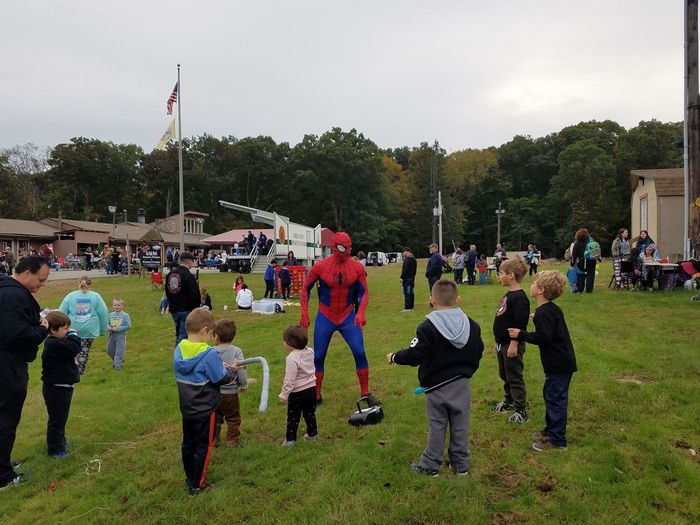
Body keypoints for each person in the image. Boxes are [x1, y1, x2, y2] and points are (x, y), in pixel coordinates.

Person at [387, 279, 484, 476]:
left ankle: (430, 466)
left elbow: (415, 355)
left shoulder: (427, 327)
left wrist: (395, 357)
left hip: (437, 387)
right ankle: (461, 465)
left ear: (432, 300)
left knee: (437, 425)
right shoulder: (473, 325)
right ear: (458, 298)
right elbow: (478, 351)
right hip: (462, 384)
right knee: (460, 425)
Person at [300, 232, 378, 406]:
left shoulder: (357, 267)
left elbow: (364, 292)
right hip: (325, 314)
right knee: (319, 356)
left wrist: (361, 312)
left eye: (350, 247)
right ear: (335, 247)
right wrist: (304, 313)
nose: (348, 251)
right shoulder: (320, 266)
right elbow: (305, 288)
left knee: (360, 352)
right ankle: (316, 395)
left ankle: (365, 393)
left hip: (347, 315)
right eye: (344, 247)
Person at [508, 271, 577, 451]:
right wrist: (536, 319)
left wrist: (520, 334)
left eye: (534, 283)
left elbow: (543, 337)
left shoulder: (544, 313)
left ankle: (557, 440)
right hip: (560, 363)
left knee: (556, 399)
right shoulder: (549, 309)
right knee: (550, 395)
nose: (530, 285)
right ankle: (550, 429)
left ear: (541, 290)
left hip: (558, 364)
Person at [173, 308, 235, 495]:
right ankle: (197, 485)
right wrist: (231, 370)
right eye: (211, 332)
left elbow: (201, 370)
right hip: (205, 411)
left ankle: (190, 476)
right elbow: (221, 378)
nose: (211, 336)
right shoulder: (209, 354)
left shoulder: (180, 349)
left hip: (187, 409)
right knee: (203, 447)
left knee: (188, 444)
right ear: (204, 331)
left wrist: (217, 366)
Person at [0, 256, 49, 489]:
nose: (42, 285)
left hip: (7, 363)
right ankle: (3, 476)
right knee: (6, 418)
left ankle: (3, 463)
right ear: (27, 273)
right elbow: (16, 334)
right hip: (7, 366)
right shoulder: (13, 295)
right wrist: (41, 328)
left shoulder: (7, 288)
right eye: (40, 280)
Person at [492, 258, 530, 424]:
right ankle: (509, 401)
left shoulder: (520, 298)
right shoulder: (508, 294)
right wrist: (498, 342)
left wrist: (514, 343)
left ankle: (521, 409)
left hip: (512, 344)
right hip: (503, 343)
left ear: (511, 275)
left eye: (501, 273)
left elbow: (519, 323)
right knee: (504, 374)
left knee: (514, 375)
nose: (499, 276)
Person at [41, 311, 81, 458]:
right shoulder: (53, 343)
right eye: (65, 328)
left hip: (62, 387)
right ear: (53, 330)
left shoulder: (58, 342)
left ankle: (60, 442)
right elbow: (75, 347)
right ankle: (55, 450)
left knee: (61, 418)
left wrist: (69, 334)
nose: (68, 331)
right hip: (56, 388)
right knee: (57, 420)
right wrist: (74, 334)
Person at [58, 276, 109, 375]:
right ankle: (79, 372)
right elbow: (103, 313)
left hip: (73, 329)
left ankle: (70, 369)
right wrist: (103, 329)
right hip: (89, 330)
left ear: (78, 283)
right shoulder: (96, 296)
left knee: (71, 349)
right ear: (90, 284)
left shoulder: (71, 296)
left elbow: (62, 312)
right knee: (84, 351)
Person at [279, 325, 318, 448]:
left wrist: (284, 395)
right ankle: (312, 435)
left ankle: (290, 440)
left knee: (293, 417)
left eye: (284, 340)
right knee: (310, 413)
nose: (283, 342)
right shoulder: (310, 351)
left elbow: (289, 380)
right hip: (312, 389)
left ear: (290, 344)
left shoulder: (291, 358)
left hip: (297, 393)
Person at [212, 319, 247, 448]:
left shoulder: (210, 351)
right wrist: (244, 385)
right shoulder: (236, 351)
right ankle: (232, 441)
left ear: (216, 337)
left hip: (214, 393)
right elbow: (241, 370)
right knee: (233, 418)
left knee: (215, 418)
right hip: (230, 394)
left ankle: (213, 439)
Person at [166, 251, 201, 346]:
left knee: (178, 334)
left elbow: (167, 292)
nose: (192, 264)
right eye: (192, 262)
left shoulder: (170, 274)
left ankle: (179, 355)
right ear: (188, 262)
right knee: (184, 336)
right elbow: (195, 295)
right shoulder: (188, 276)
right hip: (186, 310)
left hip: (174, 310)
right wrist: (196, 309)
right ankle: (180, 357)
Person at [106, 298, 131, 371]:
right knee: (109, 350)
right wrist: (109, 327)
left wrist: (118, 329)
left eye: (118, 305)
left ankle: (117, 367)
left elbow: (128, 326)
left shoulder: (125, 315)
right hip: (111, 335)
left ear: (122, 306)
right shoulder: (110, 315)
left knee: (119, 351)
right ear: (113, 306)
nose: (117, 306)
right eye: (115, 305)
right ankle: (119, 360)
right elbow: (106, 324)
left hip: (120, 335)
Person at [570, 228, 597, 294]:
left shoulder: (577, 243)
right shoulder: (591, 241)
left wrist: (572, 263)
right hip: (591, 260)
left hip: (581, 261)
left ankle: (580, 290)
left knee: (581, 275)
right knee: (590, 275)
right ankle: (589, 290)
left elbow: (574, 255)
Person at [400, 247, 417, 312]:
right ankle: (411, 306)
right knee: (411, 292)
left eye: (403, 252)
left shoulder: (407, 259)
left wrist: (402, 277)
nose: (403, 253)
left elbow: (405, 269)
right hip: (412, 278)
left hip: (407, 278)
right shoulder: (414, 258)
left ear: (407, 251)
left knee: (407, 292)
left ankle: (407, 307)